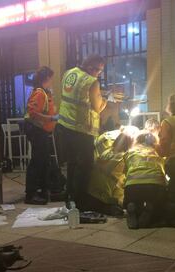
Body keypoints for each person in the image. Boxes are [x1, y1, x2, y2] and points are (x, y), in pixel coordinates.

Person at [56, 54, 107, 208]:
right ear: (92, 68)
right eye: (98, 71)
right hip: (82, 129)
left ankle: (69, 196)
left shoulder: (69, 73)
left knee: (72, 163)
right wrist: (106, 99)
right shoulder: (91, 82)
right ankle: (81, 201)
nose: (99, 74)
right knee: (85, 165)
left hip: (64, 125)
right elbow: (97, 107)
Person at [24, 66, 57, 205]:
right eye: (51, 78)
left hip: (41, 130)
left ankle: (43, 190)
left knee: (43, 161)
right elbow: (33, 113)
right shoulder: (39, 93)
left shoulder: (44, 93)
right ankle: (30, 194)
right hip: (37, 130)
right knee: (38, 161)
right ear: (47, 78)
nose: (52, 81)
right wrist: (51, 119)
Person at [124, 133, 167, 229]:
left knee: (135, 197)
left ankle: (133, 206)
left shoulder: (130, 152)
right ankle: (151, 208)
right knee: (159, 205)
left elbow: (125, 172)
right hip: (155, 185)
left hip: (133, 185)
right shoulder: (157, 152)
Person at [85, 133, 134, 216]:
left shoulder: (107, 151)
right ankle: (113, 208)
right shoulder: (121, 156)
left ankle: (109, 208)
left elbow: (97, 164)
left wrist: (100, 164)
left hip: (91, 189)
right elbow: (107, 169)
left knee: (92, 205)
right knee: (119, 198)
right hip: (104, 191)